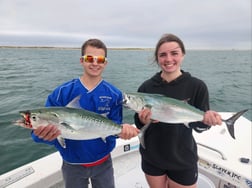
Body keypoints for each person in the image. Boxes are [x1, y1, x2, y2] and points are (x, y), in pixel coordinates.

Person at [31, 38, 139, 188]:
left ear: (105, 63)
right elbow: (39, 133)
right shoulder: (61, 93)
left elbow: (115, 128)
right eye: (90, 58)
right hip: (72, 164)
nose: (95, 63)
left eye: (100, 60)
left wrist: (123, 131)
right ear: (82, 60)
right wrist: (42, 136)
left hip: (104, 162)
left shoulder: (114, 94)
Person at [134, 33, 222, 188]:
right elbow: (140, 124)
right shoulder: (146, 87)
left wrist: (206, 120)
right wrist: (142, 120)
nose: (168, 59)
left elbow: (200, 127)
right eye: (163, 55)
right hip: (152, 156)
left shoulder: (197, 86)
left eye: (174, 53)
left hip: (183, 157)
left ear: (183, 55)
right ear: (157, 58)